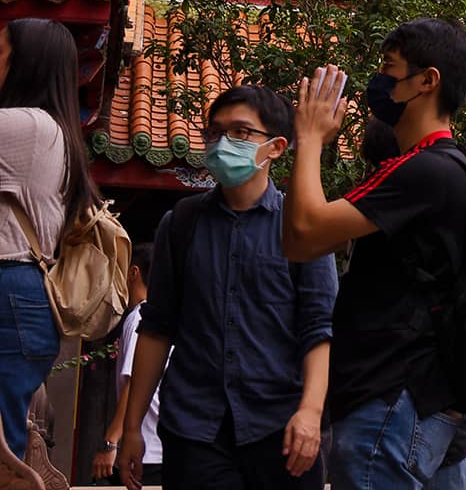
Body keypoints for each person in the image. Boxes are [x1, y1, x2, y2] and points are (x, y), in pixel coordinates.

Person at [284, 19, 466, 489]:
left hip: (391, 397)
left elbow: (303, 235)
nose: (380, 79)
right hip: (426, 399)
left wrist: (309, 138)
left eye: (389, 68)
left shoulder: (422, 169)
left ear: (427, 81)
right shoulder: (452, 169)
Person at [118, 84, 337, 490]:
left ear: (275, 146)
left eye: (240, 132)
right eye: (215, 133)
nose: (223, 144)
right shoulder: (181, 223)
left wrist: (310, 411)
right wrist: (132, 428)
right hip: (194, 430)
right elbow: (157, 329)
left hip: (281, 430)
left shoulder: (303, 224)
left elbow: (318, 327)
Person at [0, 20, 98, 467]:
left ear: (24, 62)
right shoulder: (53, 128)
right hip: (22, 295)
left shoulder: (25, 126)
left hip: (10, 290)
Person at [94, 243, 160, 486]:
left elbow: (136, 381)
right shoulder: (158, 318)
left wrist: (111, 443)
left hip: (146, 449)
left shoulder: (140, 318)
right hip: (156, 446)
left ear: (133, 272)